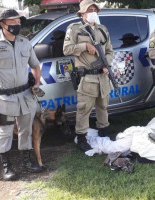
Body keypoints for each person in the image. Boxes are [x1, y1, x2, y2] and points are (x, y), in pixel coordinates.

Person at [0, 9, 42, 181]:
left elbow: (35, 65)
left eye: (18, 21)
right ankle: (6, 166)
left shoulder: (25, 42)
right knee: (4, 132)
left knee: (25, 130)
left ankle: (26, 161)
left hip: (26, 96)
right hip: (5, 99)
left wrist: (36, 83)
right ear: (2, 24)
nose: (16, 25)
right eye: (12, 22)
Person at [63, 0, 113, 151]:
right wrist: (85, 46)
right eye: (89, 10)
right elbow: (66, 49)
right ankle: (82, 137)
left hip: (102, 77)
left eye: (94, 9)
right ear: (82, 13)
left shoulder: (102, 29)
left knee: (103, 106)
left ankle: (104, 132)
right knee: (84, 109)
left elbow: (110, 50)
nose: (92, 12)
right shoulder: (74, 29)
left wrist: (106, 63)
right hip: (87, 77)